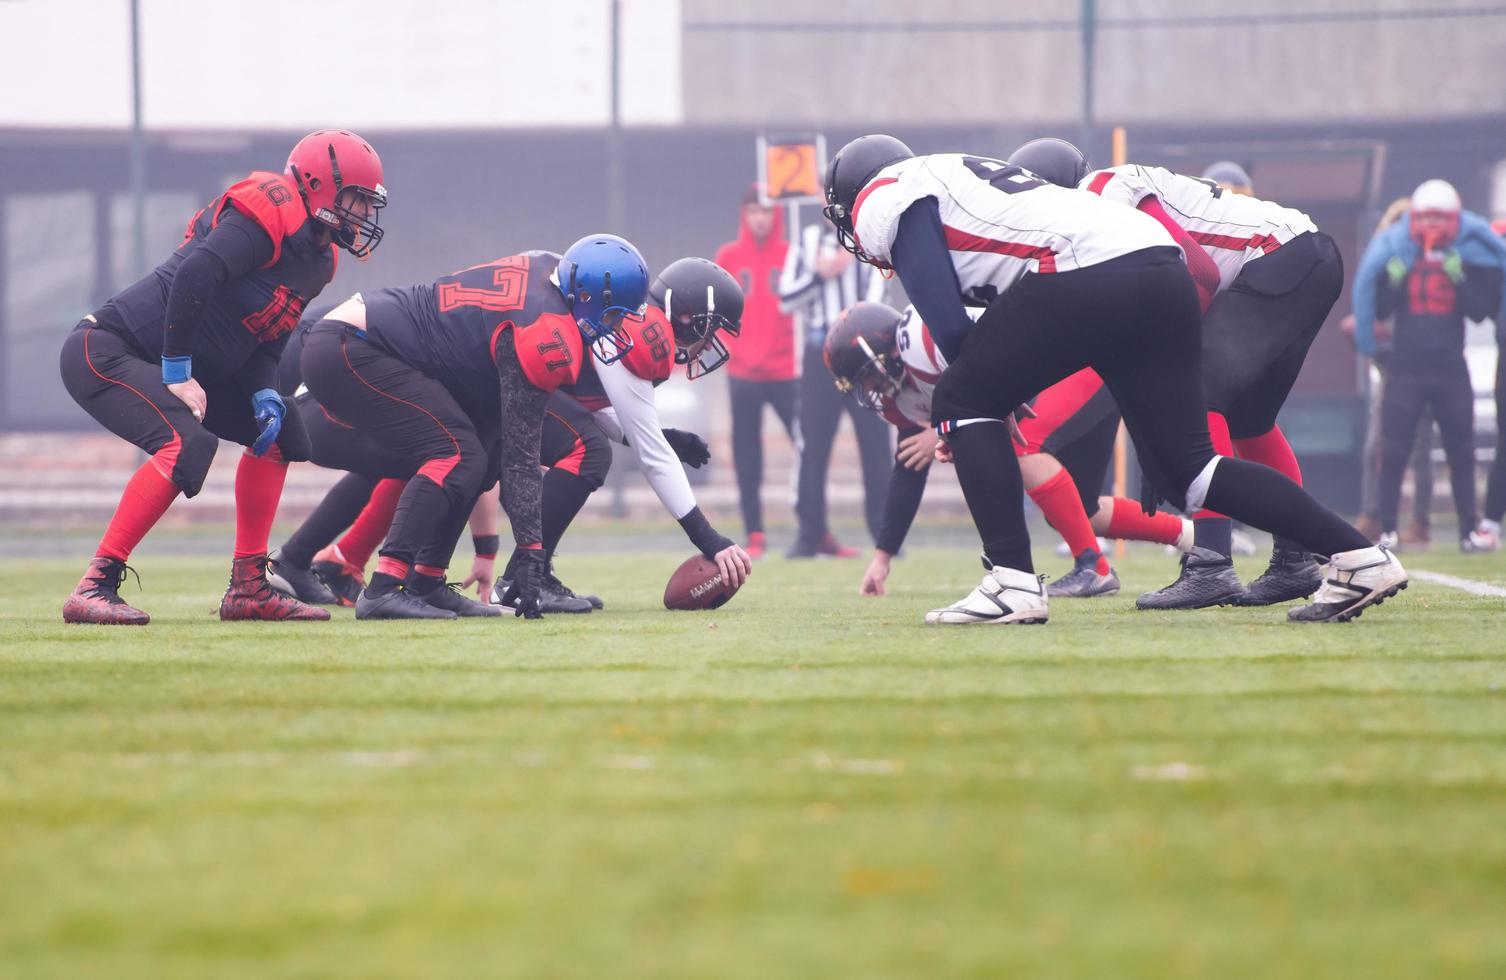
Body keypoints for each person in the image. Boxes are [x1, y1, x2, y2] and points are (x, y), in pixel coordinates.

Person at [823, 134, 1406, 625]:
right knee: (1192, 472)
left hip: (1094, 270)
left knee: (958, 394)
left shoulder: (890, 191)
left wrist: (982, 396)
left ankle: (1013, 582)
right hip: (1161, 268)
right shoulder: (975, 182)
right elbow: (1026, 320)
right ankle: (1358, 556)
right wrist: (1005, 388)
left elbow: (950, 320)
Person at [58, 130, 387, 625]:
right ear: (318, 185)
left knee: (282, 436)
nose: (360, 214)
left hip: (182, 361)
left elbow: (268, 336)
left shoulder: (321, 258)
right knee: (188, 444)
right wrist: (177, 368)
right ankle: (96, 583)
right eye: (354, 199)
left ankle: (248, 586)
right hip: (108, 348)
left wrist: (263, 391)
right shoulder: (269, 210)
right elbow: (195, 274)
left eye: (367, 203)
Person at [1010, 138, 1344, 609]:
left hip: (1279, 257)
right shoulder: (1104, 201)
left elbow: (1200, 272)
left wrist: (1174, 401)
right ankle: (1294, 560)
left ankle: (1211, 564)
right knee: (1251, 423)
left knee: (1199, 399)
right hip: (1302, 256)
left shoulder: (1104, 191)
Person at [299, 235, 651, 620]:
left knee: (479, 457)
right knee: (455, 454)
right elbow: (523, 457)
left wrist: (522, 549)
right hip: (354, 345)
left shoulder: (548, 284)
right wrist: (532, 551)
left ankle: (427, 582)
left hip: (365, 340)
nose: (616, 327)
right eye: (614, 314)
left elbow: (503, 447)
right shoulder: (545, 330)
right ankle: (385, 586)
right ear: (586, 298)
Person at [824, 301, 1195, 598]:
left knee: (1022, 450)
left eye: (868, 375)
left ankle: (1093, 567)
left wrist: (945, 428)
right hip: (1051, 382)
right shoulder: (899, 401)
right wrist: (882, 558)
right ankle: (1194, 538)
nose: (871, 389)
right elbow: (910, 467)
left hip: (1076, 363)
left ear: (884, 353)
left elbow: (998, 372)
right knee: (1080, 509)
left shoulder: (923, 339)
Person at [488, 257, 753, 609]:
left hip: (505, 378)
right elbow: (653, 459)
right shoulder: (639, 331)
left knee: (579, 444)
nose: (709, 344)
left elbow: (594, 409)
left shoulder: (629, 317)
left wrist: (666, 437)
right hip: (503, 379)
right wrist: (710, 539)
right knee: (588, 450)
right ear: (688, 317)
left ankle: (525, 575)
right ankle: (516, 582)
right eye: (711, 329)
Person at [1352, 179, 1506, 552]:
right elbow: (1382, 306)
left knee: (1461, 450)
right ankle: (1388, 527)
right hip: (1406, 366)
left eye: (1441, 216)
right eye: (1427, 216)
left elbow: (1480, 310)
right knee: (1393, 450)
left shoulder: (1468, 250)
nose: (1434, 224)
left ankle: (1468, 527)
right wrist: (1394, 278)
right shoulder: (1398, 248)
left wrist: (1460, 276)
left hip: (1450, 365)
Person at [778, 214, 892, 558]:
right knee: (812, 446)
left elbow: (878, 299)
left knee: (875, 445)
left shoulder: (868, 239)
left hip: (864, 355)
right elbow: (785, 299)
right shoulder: (806, 241)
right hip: (818, 357)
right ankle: (810, 533)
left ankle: (885, 534)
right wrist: (818, 275)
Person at [714, 185, 799, 559]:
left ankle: (814, 529)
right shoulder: (729, 256)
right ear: (744, 215)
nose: (760, 218)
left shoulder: (793, 255)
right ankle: (755, 532)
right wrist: (731, 349)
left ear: (776, 215)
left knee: (808, 447)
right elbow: (715, 308)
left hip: (785, 371)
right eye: (753, 211)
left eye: (766, 211)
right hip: (744, 373)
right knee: (748, 457)